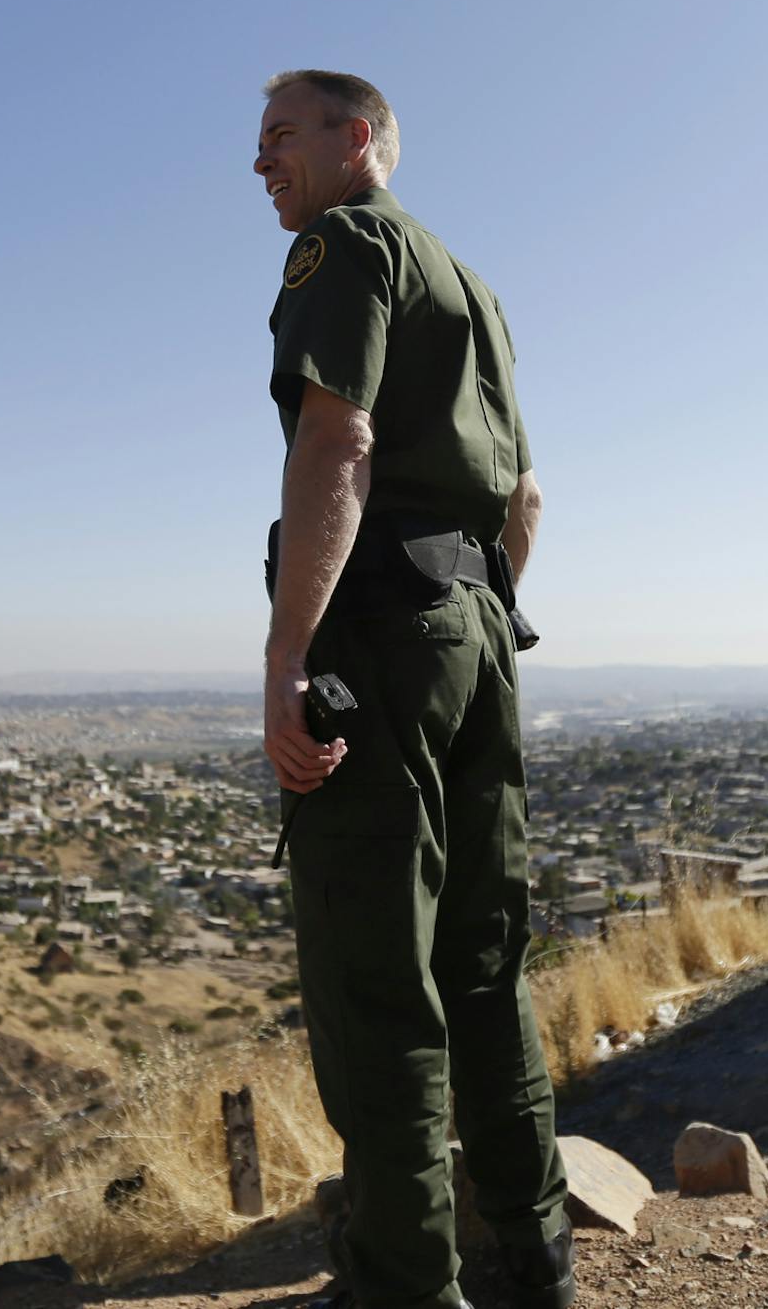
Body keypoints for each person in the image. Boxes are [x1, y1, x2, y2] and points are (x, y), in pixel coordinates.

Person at [252, 69, 571, 1309]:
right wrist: (479, 611)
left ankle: (401, 1287)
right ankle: (534, 1264)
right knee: (486, 961)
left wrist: (291, 652)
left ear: (360, 138)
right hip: (479, 636)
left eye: (283, 135)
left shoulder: (347, 245)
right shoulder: (473, 286)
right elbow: (527, 498)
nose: (263, 162)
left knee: (379, 978)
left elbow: (338, 438)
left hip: (382, 638)